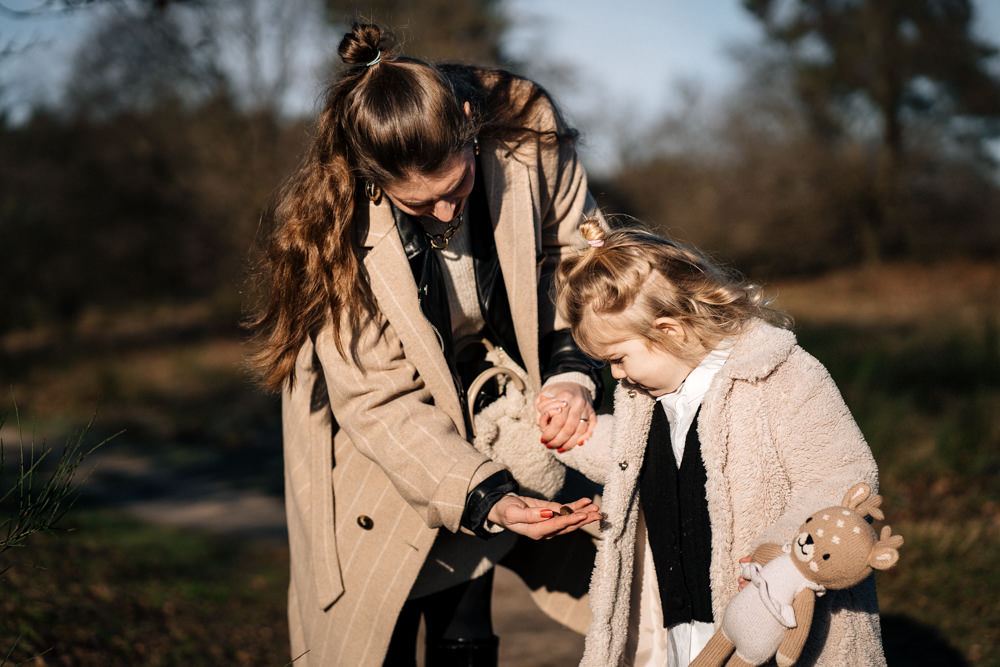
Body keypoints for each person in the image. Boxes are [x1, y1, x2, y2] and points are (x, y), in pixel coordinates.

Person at [245, 22, 606, 667]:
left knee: (465, 613)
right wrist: (484, 495)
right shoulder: (337, 228)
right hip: (371, 436)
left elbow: (574, 257)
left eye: (455, 191)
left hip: (487, 402)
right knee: (376, 619)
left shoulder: (528, 131)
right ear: (374, 180)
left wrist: (572, 370)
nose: (445, 215)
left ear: (469, 124)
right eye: (419, 205)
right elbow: (378, 400)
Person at [547, 220, 888, 666]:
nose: (615, 375)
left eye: (618, 359)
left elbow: (842, 474)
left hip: (772, 618)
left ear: (669, 330)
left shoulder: (780, 376)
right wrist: (572, 434)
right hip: (683, 625)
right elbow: (634, 459)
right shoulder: (646, 398)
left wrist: (783, 562)